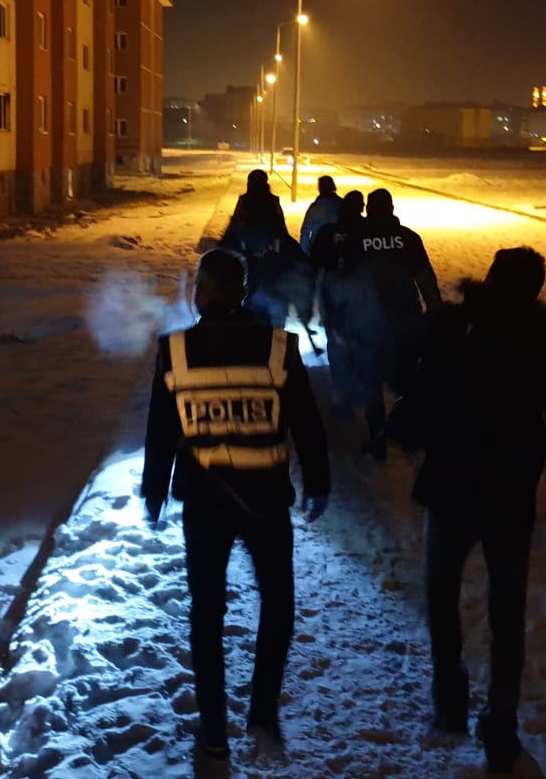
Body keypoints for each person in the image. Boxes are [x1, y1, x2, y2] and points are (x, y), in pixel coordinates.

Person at [387, 247, 546, 774]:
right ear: (534, 292)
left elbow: (403, 375)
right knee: (507, 615)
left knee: (442, 597)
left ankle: (450, 703)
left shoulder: (450, 330)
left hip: (450, 487)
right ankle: (501, 727)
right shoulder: (539, 349)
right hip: (509, 498)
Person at [141, 249, 332, 762]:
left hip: (204, 501)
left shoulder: (175, 350)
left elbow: (161, 430)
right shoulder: (278, 348)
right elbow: (307, 423)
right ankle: (264, 714)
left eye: (198, 283)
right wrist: (319, 482)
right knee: (278, 604)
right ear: (242, 291)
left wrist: (154, 491)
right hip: (266, 498)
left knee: (206, 612)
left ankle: (213, 733)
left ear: (205, 291)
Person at [349, 188, 442, 457]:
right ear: (391, 209)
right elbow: (426, 279)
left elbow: (347, 279)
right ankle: (410, 434)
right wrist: (435, 312)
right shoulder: (409, 238)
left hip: (369, 320)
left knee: (371, 382)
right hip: (407, 320)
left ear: (368, 209)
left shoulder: (357, 236)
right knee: (408, 381)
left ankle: (377, 439)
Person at [220, 169, 304, 328]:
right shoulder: (273, 206)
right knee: (276, 330)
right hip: (275, 284)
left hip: (249, 285)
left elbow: (226, 244)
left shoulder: (243, 208)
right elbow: (286, 239)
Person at [309, 190, 366, 415]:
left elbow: (314, 264)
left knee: (336, 345)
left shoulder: (328, 232)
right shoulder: (368, 231)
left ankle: (342, 397)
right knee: (361, 343)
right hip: (363, 298)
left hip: (332, 296)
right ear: (361, 208)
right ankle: (360, 391)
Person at [298, 174, 343, 255]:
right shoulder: (341, 204)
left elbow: (305, 231)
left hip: (317, 249)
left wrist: (303, 252)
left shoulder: (314, 207)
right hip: (337, 248)